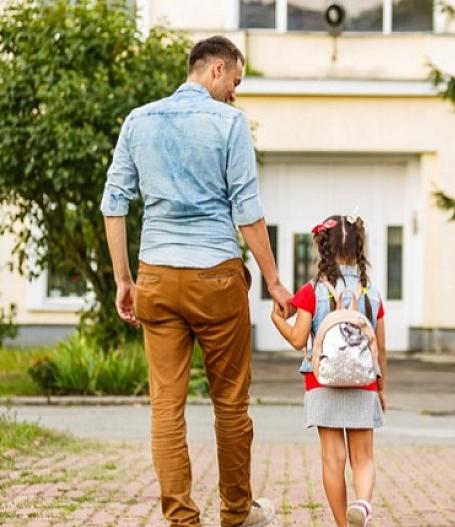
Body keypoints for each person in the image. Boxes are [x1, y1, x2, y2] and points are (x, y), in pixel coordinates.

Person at [101, 35, 292, 527]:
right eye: (235, 81)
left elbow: (113, 205)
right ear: (216, 70)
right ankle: (236, 514)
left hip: (157, 278)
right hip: (215, 278)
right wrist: (273, 282)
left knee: (166, 405)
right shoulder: (229, 123)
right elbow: (247, 212)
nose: (235, 92)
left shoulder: (137, 121)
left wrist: (125, 280)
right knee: (230, 402)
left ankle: (182, 520)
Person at [271, 215, 388, 527]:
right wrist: (382, 389)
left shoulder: (312, 290)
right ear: (360, 246)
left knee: (332, 460)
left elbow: (298, 339)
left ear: (324, 246)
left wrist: (277, 320)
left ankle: (342, 524)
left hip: (321, 381)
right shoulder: (371, 291)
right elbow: (381, 349)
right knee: (363, 458)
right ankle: (362, 504)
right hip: (364, 383)